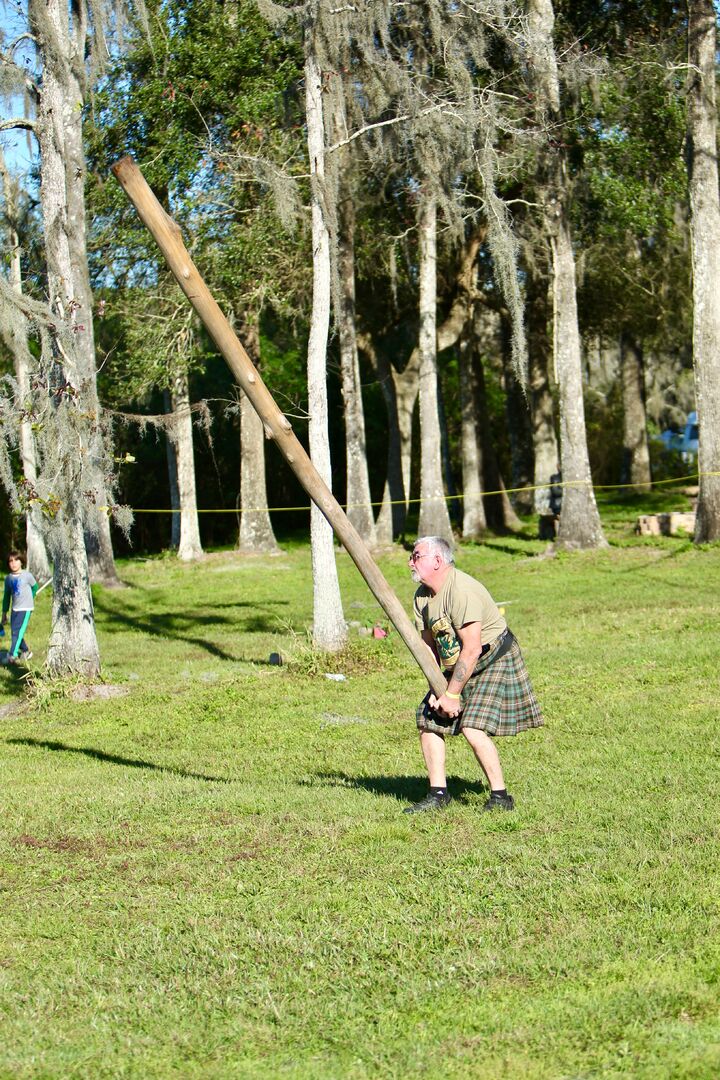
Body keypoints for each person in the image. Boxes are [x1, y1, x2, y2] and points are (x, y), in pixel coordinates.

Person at [404, 536, 543, 814]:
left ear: (437, 561)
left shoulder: (461, 591)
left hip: (491, 658)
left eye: (416, 555)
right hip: (457, 664)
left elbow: (472, 648)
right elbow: (428, 647)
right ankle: (438, 794)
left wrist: (452, 694)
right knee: (428, 720)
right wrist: (436, 687)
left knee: (472, 726)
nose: (410, 561)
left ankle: (501, 797)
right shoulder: (422, 596)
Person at [1, 551, 37, 664]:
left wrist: (31, 597)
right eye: (11, 561)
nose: (13, 563)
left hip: (25, 609)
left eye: (16, 560)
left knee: (17, 632)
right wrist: (4, 613)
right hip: (15, 609)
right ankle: (26, 651)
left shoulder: (27, 575)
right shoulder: (8, 579)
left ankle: (12, 655)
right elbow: (6, 597)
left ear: (21, 561)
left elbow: (35, 587)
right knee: (15, 632)